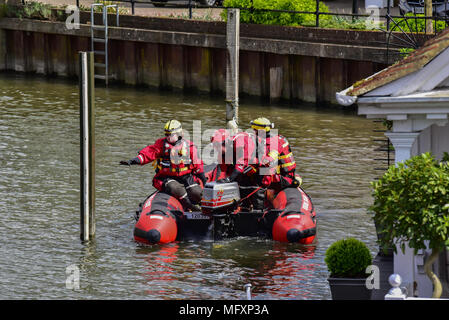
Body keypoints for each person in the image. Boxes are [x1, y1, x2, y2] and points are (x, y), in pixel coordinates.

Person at [120, 120, 207, 211]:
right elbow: (148, 154)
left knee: (196, 192)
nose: (168, 137)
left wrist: (204, 181)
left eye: (171, 134)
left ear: (179, 134)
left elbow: (198, 165)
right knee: (176, 188)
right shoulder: (161, 145)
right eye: (166, 134)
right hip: (166, 177)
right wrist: (134, 161)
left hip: (185, 176)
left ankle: (204, 207)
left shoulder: (189, 146)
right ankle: (194, 209)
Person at [208, 128, 265, 211]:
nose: (216, 149)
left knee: (254, 182)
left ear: (226, 143)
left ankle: (259, 210)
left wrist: (229, 179)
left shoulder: (240, 142)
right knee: (239, 182)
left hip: (261, 162)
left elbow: (241, 165)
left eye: (217, 146)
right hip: (246, 163)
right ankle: (243, 208)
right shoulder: (223, 153)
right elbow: (220, 173)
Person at [250, 117, 300, 191]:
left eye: (255, 130)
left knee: (252, 174)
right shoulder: (278, 137)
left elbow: (268, 161)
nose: (253, 132)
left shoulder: (273, 143)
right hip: (287, 174)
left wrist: (251, 161)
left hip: (283, 178)